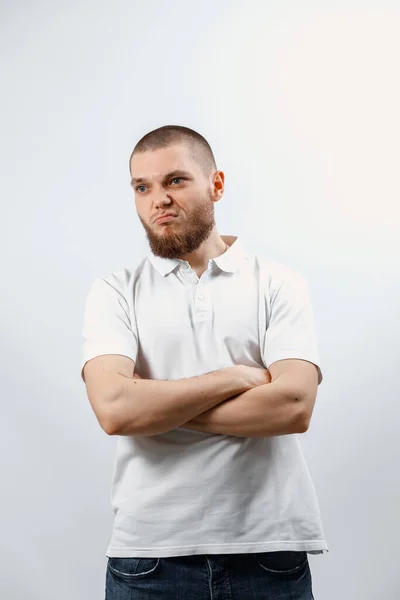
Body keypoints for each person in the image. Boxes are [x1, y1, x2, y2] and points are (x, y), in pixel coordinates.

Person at [81, 124, 326, 599]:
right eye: (142, 187)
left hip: (269, 551)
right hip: (149, 560)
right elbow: (115, 411)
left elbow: (293, 407)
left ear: (216, 184)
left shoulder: (277, 283)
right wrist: (231, 378)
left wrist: (155, 409)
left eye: (175, 180)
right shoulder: (114, 291)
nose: (159, 199)